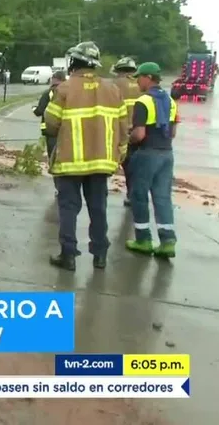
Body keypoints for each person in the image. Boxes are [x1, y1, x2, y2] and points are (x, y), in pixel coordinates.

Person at [44, 41, 129, 271]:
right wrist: (120, 152)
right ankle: (100, 255)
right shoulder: (112, 90)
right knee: (98, 208)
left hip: (70, 164)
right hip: (101, 163)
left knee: (69, 208)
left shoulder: (64, 89)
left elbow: (51, 124)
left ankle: (68, 255)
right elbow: (124, 126)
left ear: (75, 61)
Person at [125, 62, 180, 259]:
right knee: (163, 197)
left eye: (139, 77)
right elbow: (172, 132)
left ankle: (143, 239)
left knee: (138, 195)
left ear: (148, 77)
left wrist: (128, 138)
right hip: (167, 154)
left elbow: (139, 134)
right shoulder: (171, 101)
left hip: (147, 153)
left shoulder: (143, 101)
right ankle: (167, 242)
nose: (137, 81)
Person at [110, 57, 141, 207]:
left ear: (118, 71)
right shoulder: (140, 84)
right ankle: (139, 195)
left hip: (122, 132)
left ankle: (131, 195)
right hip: (142, 131)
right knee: (139, 166)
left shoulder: (114, 85)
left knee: (126, 165)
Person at [33, 70, 66, 161]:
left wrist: (34, 109)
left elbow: (39, 111)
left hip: (50, 129)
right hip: (67, 129)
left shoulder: (48, 93)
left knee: (53, 155)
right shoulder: (70, 92)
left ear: (55, 79)